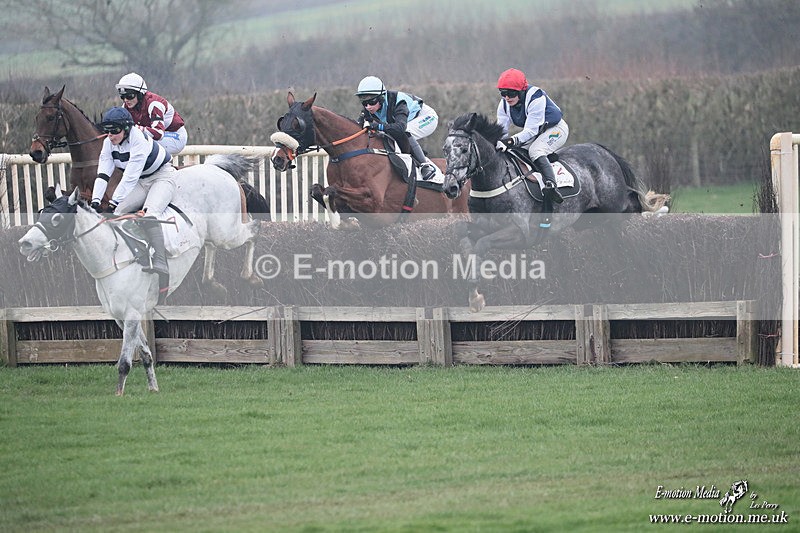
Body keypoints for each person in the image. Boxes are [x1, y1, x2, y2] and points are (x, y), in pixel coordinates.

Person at [91, 106, 176, 282]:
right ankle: (135, 250)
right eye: (107, 131)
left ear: (127, 129)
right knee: (117, 214)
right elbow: (103, 174)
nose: (110, 135)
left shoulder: (138, 139)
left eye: (114, 131)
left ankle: (161, 261)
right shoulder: (109, 142)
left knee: (150, 215)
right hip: (141, 181)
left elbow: (129, 177)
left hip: (162, 176)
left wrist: (113, 202)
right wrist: (95, 201)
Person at [495, 68, 569, 204]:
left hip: (556, 129)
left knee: (536, 151)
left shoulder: (536, 98)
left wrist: (510, 141)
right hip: (537, 132)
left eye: (511, 93)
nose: (506, 97)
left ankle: (552, 187)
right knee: (514, 151)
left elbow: (531, 131)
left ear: (521, 90)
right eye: (503, 93)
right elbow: (501, 130)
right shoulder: (504, 104)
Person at [355, 76, 438, 181]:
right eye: (364, 103)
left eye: (372, 102)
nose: (368, 107)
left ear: (381, 97)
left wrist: (377, 126)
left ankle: (425, 166)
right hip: (407, 122)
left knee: (405, 132)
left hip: (426, 117)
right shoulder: (368, 108)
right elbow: (358, 127)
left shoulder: (399, 103)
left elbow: (400, 128)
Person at [115, 72, 188, 156]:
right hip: (159, 137)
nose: (126, 100)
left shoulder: (154, 104)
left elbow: (159, 134)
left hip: (175, 137)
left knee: (140, 144)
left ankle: (165, 168)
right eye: (122, 97)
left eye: (129, 96)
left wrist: (135, 128)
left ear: (140, 94)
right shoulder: (126, 106)